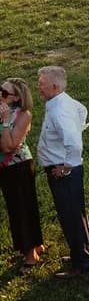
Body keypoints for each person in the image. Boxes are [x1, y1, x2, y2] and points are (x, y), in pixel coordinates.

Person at [35, 66, 89, 278]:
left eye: (41, 84)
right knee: (76, 213)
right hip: (66, 169)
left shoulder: (59, 110)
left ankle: (82, 264)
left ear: (55, 86)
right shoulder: (63, 102)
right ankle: (84, 251)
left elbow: (74, 143)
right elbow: (82, 110)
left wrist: (66, 167)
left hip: (64, 172)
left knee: (70, 216)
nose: (38, 88)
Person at [0, 77, 44, 270]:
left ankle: (30, 256)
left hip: (18, 168)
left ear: (16, 98)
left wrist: (5, 122)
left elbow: (9, 146)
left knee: (22, 210)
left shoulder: (23, 115)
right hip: (5, 169)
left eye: (3, 93)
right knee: (20, 208)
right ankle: (37, 244)